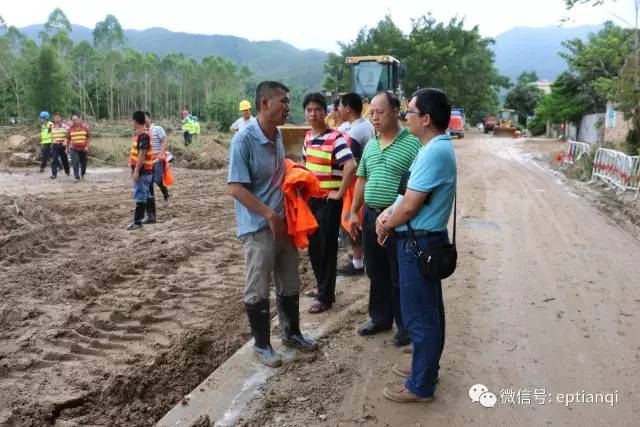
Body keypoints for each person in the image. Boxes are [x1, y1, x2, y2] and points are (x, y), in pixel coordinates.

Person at [228, 81, 317, 367]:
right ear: (264, 103)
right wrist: (269, 214)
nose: (288, 107)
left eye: (289, 102)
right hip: (258, 228)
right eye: (283, 101)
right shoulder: (244, 140)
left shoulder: (276, 135)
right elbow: (236, 188)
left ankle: (292, 333)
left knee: (290, 279)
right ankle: (263, 345)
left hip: (283, 223)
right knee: (257, 287)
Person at [376, 88, 456, 403]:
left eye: (409, 111)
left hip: (419, 242)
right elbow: (406, 194)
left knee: (420, 317)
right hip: (423, 240)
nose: (404, 115)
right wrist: (388, 214)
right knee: (428, 311)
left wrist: (386, 223)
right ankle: (425, 367)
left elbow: (410, 206)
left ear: (425, 118)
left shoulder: (434, 151)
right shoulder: (431, 147)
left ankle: (420, 385)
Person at [346, 91, 420, 347]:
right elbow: (362, 179)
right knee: (376, 270)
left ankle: (404, 326)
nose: (374, 117)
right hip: (370, 216)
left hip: (397, 220)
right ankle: (380, 319)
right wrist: (354, 211)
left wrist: (395, 215)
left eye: (380, 111)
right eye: (372, 112)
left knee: (399, 273)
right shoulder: (371, 145)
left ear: (396, 110)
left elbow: (416, 188)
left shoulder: (413, 143)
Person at [301, 92, 357, 314]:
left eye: (317, 109)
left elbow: (350, 165)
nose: (313, 114)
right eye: (309, 110)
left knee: (326, 249)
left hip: (328, 202)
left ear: (325, 112)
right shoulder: (308, 138)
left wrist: (339, 192)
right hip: (312, 201)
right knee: (314, 248)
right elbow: (305, 166)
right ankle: (321, 288)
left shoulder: (336, 138)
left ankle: (325, 297)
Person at [336, 92, 374, 276]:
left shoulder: (356, 132)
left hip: (356, 184)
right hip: (361, 181)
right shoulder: (361, 125)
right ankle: (361, 257)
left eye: (340, 106)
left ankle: (358, 263)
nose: (338, 110)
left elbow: (348, 162)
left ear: (348, 109)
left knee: (353, 222)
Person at [127, 111, 154, 230]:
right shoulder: (142, 134)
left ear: (135, 121)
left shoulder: (143, 135)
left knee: (140, 194)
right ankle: (151, 216)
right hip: (145, 171)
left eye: (132, 121)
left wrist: (136, 171)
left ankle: (138, 221)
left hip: (143, 171)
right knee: (146, 193)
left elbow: (142, 155)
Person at [145, 112, 170, 214]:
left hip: (158, 158)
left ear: (150, 118)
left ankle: (166, 194)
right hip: (148, 160)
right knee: (149, 182)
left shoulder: (158, 129)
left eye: (145, 118)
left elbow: (164, 140)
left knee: (158, 179)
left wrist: (161, 154)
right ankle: (152, 205)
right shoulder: (143, 132)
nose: (144, 120)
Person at [68, 115, 90, 183]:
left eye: (76, 119)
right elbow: (68, 139)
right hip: (74, 148)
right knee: (75, 162)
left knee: (83, 163)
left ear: (79, 120)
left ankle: (82, 174)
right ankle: (76, 177)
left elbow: (88, 137)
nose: (75, 121)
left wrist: (87, 146)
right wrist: (67, 148)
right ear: (72, 121)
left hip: (83, 148)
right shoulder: (70, 129)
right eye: (73, 120)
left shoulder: (85, 128)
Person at [49, 113, 70, 179]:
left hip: (62, 145)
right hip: (55, 145)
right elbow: (51, 136)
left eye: (58, 117)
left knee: (64, 159)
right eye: (55, 118)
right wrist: (52, 142)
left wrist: (66, 142)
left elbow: (68, 135)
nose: (57, 119)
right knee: (54, 159)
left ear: (61, 118)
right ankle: (54, 174)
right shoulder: (51, 127)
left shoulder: (65, 126)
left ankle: (67, 171)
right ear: (53, 119)